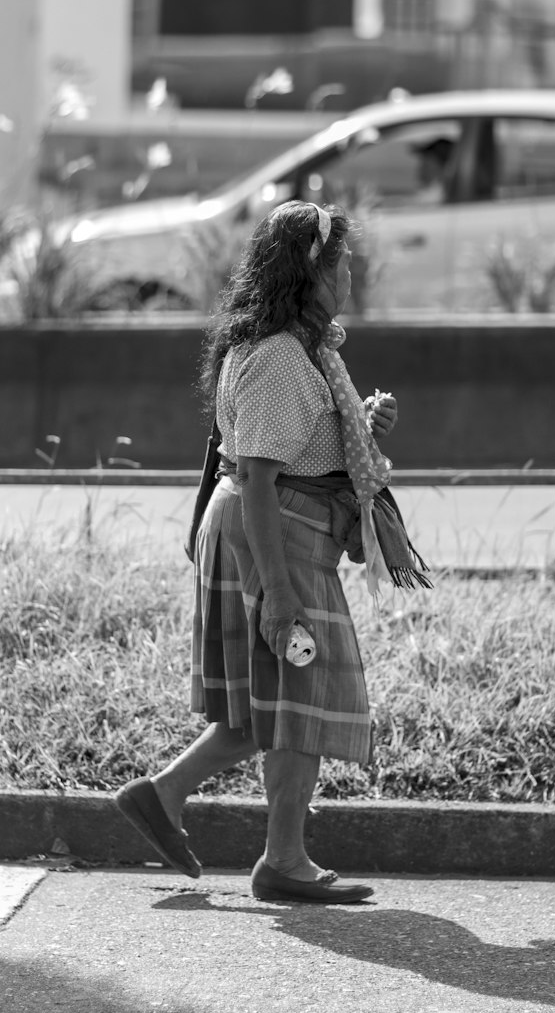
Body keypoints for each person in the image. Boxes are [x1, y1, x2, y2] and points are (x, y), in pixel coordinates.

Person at [115, 199, 428, 904]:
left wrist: (359, 422)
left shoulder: (296, 349)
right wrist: (280, 593)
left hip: (276, 527)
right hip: (275, 533)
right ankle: (282, 861)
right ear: (310, 272)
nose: (351, 273)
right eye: (341, 262)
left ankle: (164, 797)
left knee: (272, 705)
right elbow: (258, 473)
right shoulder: (284, 357)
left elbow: (288, 445)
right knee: (301, 696)